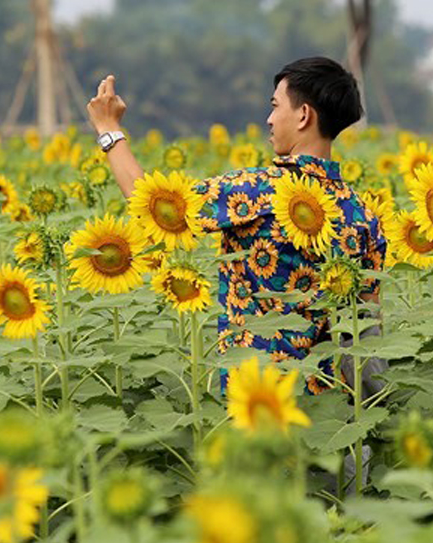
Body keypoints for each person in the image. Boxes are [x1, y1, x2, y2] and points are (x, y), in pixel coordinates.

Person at [87, 56, 387, 394]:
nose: (269, 119)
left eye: (275, 106)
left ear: (304, 115)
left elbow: (154, 207)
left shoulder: (257, 192)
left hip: (262, 404)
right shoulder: (363, 216)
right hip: (335, 413)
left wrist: (109, 130)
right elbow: (365, 334)